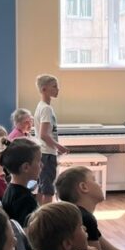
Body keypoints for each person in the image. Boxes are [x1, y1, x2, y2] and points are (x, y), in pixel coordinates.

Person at [34, 74, 69, 205]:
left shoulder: (42, 106)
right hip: (47, 153)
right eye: (54, 86)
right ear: (44, 89)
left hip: (44, 151)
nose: (57, 89)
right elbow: (43, 134)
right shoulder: (46, 109)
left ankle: (38, 212)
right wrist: (59, 146)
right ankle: (47, 214)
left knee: (41, 186)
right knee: (48, 189)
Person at [0, 139, 42, 227]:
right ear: (26, 167)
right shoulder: (25, 200)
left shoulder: (11, 190)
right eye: (39, 161)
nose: (42, 165)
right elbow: (28, 231)